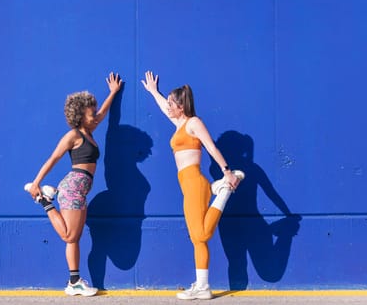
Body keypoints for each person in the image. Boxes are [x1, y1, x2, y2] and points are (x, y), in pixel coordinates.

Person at [141, 70, 244, 300]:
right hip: (186, 185)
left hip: (196, 183)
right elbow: (162, 108)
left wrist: (226, 171)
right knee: (196, 238)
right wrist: (153, 92)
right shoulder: (179, 124)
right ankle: (202, 286)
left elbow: (211, 147)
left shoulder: (194, 123)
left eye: (171, 103)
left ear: (181, 105)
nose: (168, 107)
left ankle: (223, 191)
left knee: (202, 234)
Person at [26, 72, 122, 296]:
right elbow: (53, 158)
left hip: (80, 189)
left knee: (75, 238)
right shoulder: (73, 135)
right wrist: (36, 183)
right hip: (72, 187)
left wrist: (113, 93)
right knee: (69, 236)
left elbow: (102, 115)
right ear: (79, 116)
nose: (94, 116)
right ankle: (45, 201)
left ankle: (74, 281)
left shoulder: (89, 131)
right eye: (89, 114)